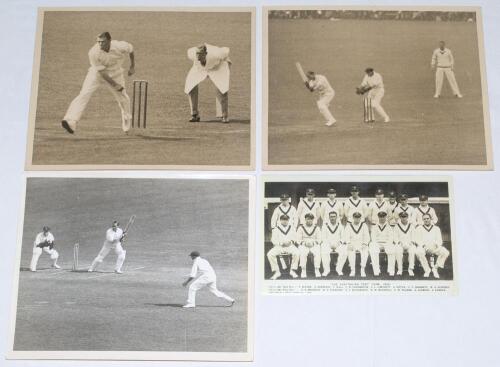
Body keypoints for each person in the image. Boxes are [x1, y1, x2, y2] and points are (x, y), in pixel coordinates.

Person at [61, 32, 135, 134]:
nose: (100, 44)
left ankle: (127, 119)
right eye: (98, 42)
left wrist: (132, 67)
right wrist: (115, 85)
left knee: (123, 98)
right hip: (97, 74)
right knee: (84, 94)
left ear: (109, 41)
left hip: (116, 73)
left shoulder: (120, 46)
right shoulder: (93, 52)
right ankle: (71, 121)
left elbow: (131, 50)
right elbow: (103, 73)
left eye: (103, 42)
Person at [184, 44, 231, 123]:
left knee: (222, 88)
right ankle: (194, 114)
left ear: (206, 53)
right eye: (197, 53)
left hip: (218, 67)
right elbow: (195, 56)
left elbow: (226, 51)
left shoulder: (216, 54)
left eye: (200, 54)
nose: (198, 56)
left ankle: (224, 115)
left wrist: (228, 64)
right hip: (200, 68)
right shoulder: (191, 54)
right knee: (190, 86)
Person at [415, 213, 449, 278]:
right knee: (418, 252)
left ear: (430, 219)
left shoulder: (436, 228)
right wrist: (423, 245)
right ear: (422, 220)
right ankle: (427, 270)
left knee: (446, 252)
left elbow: (440, 240)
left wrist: (437, 244)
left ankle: (435, 268)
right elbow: (417, 239)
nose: (426, 220)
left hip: (434, 247)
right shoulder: (419, 228)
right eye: (424, 219)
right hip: (424, 248)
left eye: (427, 218)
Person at [267, 214, 300, 279]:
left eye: (286, 220)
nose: (285, 221)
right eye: (283, 220)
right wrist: (281, 243)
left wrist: (290, 242)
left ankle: (292, 270)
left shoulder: (292, 228)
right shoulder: (276, 229)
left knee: (297, 253)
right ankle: (277, 272)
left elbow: (295, 238)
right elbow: (273, 240)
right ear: (280, 220)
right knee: (270, 254)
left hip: (290, 246)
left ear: (288, 220)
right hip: (279, 247)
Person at [343, 211, 370, 277]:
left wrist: (365, 243)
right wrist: (349, 243)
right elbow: (346, 236)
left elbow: (367, 236)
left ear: (360, 218)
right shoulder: (349, 226)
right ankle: (352, 270)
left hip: (361, 244)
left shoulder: (364, 225)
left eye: (358, 218)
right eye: (355, 217)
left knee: (365, 251)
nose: (357, 219)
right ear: (353, 218)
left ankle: (362, 269)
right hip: (352, 244)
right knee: (350, 251)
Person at [369, 211, 396, 276]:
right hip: (377, 243)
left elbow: (391, 238)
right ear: (378, 217)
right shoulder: (375, 227)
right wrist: (379, 246)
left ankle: (391, 270)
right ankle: (376, 270)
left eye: (383, 217)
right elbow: (373, 237)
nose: (382, 218)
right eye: (380, 217)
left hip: (387, 243)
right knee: (373, 248)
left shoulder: (389, 227)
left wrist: (386, 245)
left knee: (392, 249)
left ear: (386, 217)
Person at [320, 211, 347, 276]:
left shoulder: (340, 226)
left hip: (338, 244)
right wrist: (330, 244)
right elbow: (323, 237)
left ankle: (339, 269)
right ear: (329, 217)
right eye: (331, 216)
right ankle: (326, 270)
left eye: (334, 216)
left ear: (336, 217)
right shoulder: (325, 226)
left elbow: (343, 237)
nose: (332, 218)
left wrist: (338, 243)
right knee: (324, 250)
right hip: (328, 244)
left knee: (344, 251)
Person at [393, 212, 419, 276]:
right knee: (398, 250)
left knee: (412, 250)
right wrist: (400, 243)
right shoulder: (397, 226)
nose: (403, 218)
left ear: (407, 217)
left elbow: (414, 236)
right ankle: (400, 269)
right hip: (400, 244)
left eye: (405, 217)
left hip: (410, 244)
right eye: (402, 217)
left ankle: (410, 269)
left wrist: (410, 243)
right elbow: (395, 237)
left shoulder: (411, 226)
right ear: (400, 218)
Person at [296, 213, 322, 278]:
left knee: (317, 252)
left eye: (310, 219)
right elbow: (298, 239)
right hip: (304, 244)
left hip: (314, 244)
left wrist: (313, 243)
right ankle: (303, 270)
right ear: (305, 219)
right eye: (307, 219)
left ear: (313, 220)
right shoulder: (301, 228)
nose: (309, 221)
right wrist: (304, 243)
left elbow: (319, 239)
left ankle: (317, 269)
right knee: (302, 253)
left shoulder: (317, 228)